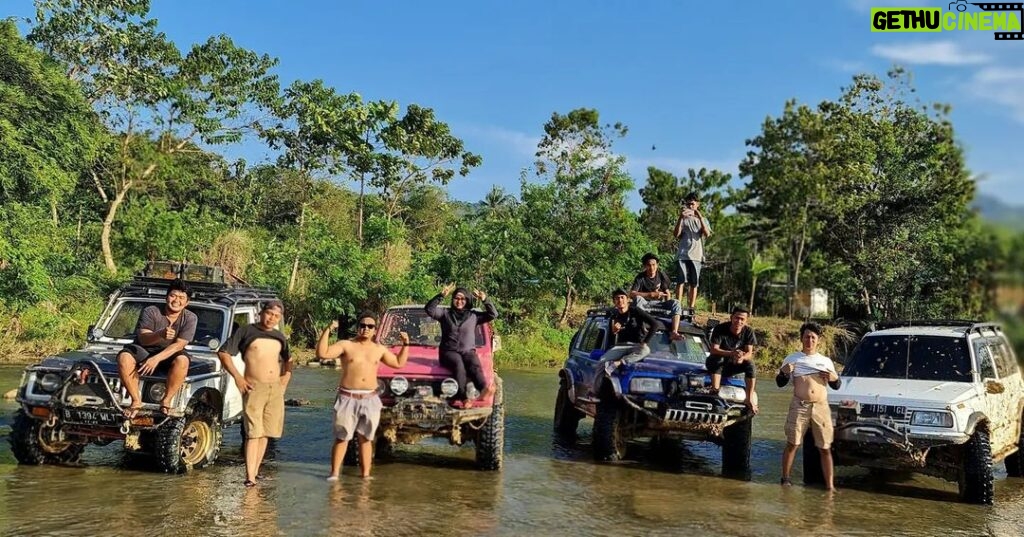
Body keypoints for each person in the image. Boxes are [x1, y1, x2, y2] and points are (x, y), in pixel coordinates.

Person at [318, 314, 409, 480]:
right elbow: (323, 353)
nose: (366, 328)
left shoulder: (379, 349)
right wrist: (328, 330)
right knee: (342, 437)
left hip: (370, 399)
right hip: (347, 397)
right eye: (363, 325)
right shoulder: (346, 345)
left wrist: (405, 344)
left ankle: (365, 475)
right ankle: (334, 474)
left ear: (375, 330)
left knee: (366, 438)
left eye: (370, 326)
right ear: (358, 327)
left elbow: (398, 363)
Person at [217, 299, 291, 487]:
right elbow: (224, 353)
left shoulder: (279, 337)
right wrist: (238, 378)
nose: (271, 318)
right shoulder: (246, 331)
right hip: (253, 387)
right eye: (269, 313)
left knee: (266, 432)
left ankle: (255, 473)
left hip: (274, 389)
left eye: (276, 316)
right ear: (261, 313)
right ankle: (249, 477)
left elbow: (288, 361)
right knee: (253, 433)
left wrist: (285, 380)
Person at [116, 278, 197, 418]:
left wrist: (156, 359)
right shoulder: (151, 311)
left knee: (183, 360)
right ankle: (136, 401)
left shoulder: (190, 318)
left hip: (169, 353)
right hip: (145, 349)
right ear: (166, 297)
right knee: (124, 357)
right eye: (173, 296)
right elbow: (143, 338)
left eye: (182, 298)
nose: (176, 300)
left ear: (187, 302)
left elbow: (179, 345)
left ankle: (166, 401)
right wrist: (160, 334)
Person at [777, 322, 841, 490]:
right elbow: (780, 383)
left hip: (821, 407)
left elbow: (837, 385)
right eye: (806, 337)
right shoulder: (792, 358)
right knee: (793, 443)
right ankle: (785, 479)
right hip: (800, 405)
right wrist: (784, 372)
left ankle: (830, 486)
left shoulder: (825, 361)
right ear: (801, 338)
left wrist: (834, 378)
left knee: (825, 447)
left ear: (818, 340)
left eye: (813, 337)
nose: (810, 340)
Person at [425, 283, 499, 408]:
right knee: (459, 364)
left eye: (463, 298)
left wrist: (485, 300)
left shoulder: (474, 316)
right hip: (448, 352)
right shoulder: (445, 314)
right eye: (456, 298)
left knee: (474, 364)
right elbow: (429, 310)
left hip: (467, 351)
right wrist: (441, 295)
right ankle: (464, 398)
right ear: (453, 299)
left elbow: (493, 314)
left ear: (468, 300)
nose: (459, 301)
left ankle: (484, 389)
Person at [596, 289, 663, 378]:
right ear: (614, 302)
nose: (620, 300)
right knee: (601, 361)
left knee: (646, 350)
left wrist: (645, 342)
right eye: (617, 298)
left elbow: (655, 324)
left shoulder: (636, 311)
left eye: (622, 297)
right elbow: (610, 339)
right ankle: (595, 389)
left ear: (627, 299)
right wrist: (614, 331)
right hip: (621, 346)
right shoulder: (614, 316)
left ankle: (618, 363)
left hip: (637, 346)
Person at [708, 307, 758, 413]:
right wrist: (732, 354)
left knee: (750, 364)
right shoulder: (720, 328)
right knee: (717, 359)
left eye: (742, 319)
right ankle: (715, 392)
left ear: (746, 320)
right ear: (731, 317)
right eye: (736, 318)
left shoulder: (748, 331)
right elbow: (714, 350)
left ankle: (749, 399)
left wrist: (741, 357)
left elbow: (749, 353)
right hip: (717, 362)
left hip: (734, 364)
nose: (739, 321)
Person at [630, 252, 684, 339]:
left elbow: (667, 292)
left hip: (659, 304)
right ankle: (642, 327)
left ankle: (674, 332)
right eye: (649, 265)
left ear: (657, 265)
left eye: (654, 265)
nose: (652, 268)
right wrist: (650, 294)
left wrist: (663, 296)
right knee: (638, 299)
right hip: (645, 305)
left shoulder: (661, 275)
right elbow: (632, 293)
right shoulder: (640, 277)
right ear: (645, 266)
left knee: (676, 302)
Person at [674, 192, 711, 310]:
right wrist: (681, 217)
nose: (690, 206)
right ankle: (677, 306)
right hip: (682, 254)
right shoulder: (682, 219)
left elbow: (707, 234)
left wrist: (699, 217)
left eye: (692, 204)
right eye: (688, 204)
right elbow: (676, 234)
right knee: (680, 281)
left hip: (696, 255)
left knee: (694, 283)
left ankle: (691, 308)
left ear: (697, 205)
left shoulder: (703, 219)